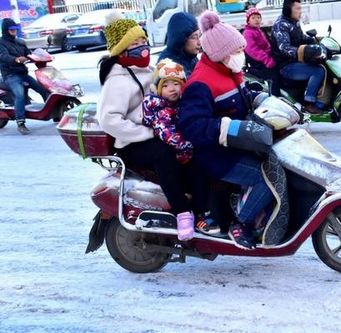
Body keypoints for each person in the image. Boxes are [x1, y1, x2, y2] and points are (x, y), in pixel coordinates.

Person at [178, 11, 274, 250]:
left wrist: (262, 99)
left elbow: (241, 97)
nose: (241, 55)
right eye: (236, 51)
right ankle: (242, 223)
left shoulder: (230, 71)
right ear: (220, 54)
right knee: (266, 178)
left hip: (239, 144)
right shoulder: (201, 83)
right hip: (217, 155)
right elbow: (192, 126)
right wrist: (227, 127)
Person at [96, 11, 195, 241]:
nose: (142, 47)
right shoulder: (117, 80)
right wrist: (147, 132)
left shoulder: (149, 71)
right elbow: (109, 120)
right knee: (165, 153)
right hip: (132, 142)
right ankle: (182, 212)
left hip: (157, 130)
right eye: (135, 43)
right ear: (122, 48)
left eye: (143, 41)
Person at [143, 58, 218, 234]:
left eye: (176, 84)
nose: (172, 88)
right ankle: (197, 214)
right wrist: (188, 144)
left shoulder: (181, 104)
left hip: (186, 153)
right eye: (166, 85)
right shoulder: (160, 108)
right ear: (158, 88)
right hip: (176, 155)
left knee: (202, 175)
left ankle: (205, 211)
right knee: (196, 176)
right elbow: (167, 134)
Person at [271, 0, 326, 114]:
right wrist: (305, 51)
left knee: (321, 64)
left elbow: (302, 37)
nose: (300, 12)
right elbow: (284, 48)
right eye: (298, 9)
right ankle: (309, 103)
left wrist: (316, 42)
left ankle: (322, 100)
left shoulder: (294, 22)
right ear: (288, 9)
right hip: (285, 65)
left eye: (300, 8)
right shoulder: (281, 25)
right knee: (318, 71)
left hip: (295, 61)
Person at [0, 18, 49, 134]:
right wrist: (16, 59)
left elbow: (29, 54)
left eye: (15, 29)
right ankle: (20, 122)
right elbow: (3, 56)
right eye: (12, 30)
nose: (14, 31)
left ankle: (55, 113)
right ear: (6, 30)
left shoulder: (20, 42)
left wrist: (41, 56)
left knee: (43, 88)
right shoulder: (1, 43)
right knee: (19, 94)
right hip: (11, 75)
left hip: (23, 73)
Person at [242, 7, 281, 96]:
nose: (256, 20)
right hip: (259, 62)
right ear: (248, 21)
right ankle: (275, 97)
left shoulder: (258, 30)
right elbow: (253, 50)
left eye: (258, 17)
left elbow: (267, 45)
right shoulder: (248, 33)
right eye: (253, 18)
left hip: (266, 58)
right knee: (274, 76)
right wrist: (267, 60)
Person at [157, 12, 201, 77]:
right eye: (194, 37)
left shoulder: (190, 57)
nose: (199, 42)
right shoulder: (169, 66)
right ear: (181, 38)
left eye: (199, 36)